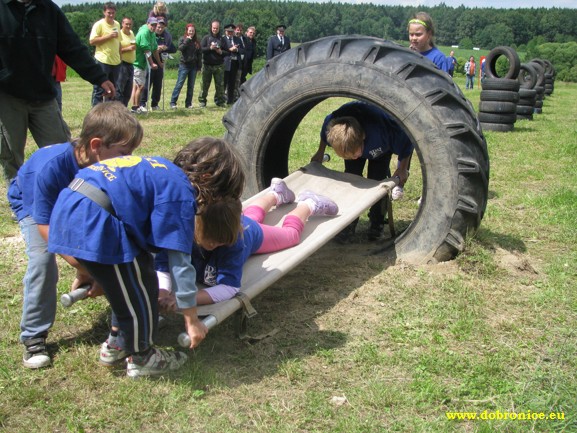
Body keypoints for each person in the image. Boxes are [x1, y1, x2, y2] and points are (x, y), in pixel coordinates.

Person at [47, 137, 245, 378]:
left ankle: (117, 343)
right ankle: (142, 357)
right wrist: (191, 319)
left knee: (132, 284)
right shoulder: (181, 193)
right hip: (96, 218)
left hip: (71, 206)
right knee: (140, 292)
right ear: (207, 179)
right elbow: (180, 264)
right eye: (219, 196)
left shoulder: (162, 169)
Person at [7, 102, 143, 369]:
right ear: (96, 146)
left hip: (77, 200)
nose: (128, 159)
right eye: (124, 152)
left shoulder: (105, 162)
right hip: (36, 207)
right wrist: (85, 268)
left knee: (119, 241)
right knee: (42, 260)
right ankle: (34, 335)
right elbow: (46, 228)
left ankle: (129, 316)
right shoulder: (49, 167)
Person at [156, 179, 338, 308]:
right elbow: (163, 264)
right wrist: (162, 292)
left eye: (220, 242)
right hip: (239, 224)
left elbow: (229, 288)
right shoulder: (183, 234)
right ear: (197, 230)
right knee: (250, 216)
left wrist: (186, 299)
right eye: (210, 240)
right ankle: (276, 193)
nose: (213, 245)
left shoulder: (236, 241)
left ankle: (308, 203)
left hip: (251, 233)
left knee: (290, 235)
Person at [0, 0, 115, 185]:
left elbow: (72, 47)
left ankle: (67, 196)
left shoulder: (49, 10)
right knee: (11, 153)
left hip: (43, 93)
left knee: (62, 149)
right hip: (7, 94)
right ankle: (20, 201)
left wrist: (99, 77)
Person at [311, 101, 413, 243]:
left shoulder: (385, 131)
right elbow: (325, 130)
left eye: (355, 154)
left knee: (378, 181)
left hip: (380, 149)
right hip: (356, 136)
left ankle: (377, 222)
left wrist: (402, 168)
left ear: (363, 136)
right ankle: (348, 223)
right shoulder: (333, 128)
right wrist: (320, 152)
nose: (354, 157)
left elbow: (407, 142)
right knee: (352, 179)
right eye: (347, 156)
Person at [89, 2, 122, 107]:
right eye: (109, 13)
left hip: (115, 61)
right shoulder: (99, 25)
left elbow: (119, 42)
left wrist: (120, 57)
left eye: (113, 13)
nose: (111, 15)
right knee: (99, 88)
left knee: (112, 90)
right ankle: (95, 114)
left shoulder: (117, 24)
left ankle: (109, 115)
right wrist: (108, 36)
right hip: (102, 60)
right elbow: (92, 41)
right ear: (104, 12)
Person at [139, 17, 176, 111]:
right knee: (147, 82)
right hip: (148, 61)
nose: (159, 29)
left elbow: (173, 49)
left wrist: (164, 48)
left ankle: (154, 104)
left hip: (160, 62)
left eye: (162, 27)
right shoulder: (149, 34)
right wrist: (156, 48)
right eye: (158, 26)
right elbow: (146, 48)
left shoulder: (167, 36)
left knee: (158, 84)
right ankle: (142, 103)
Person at [130, 17, 160, 114]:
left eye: (155, 25)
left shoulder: (152, 34)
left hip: (142, 64)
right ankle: (136, 107)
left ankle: (135, 107)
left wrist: (159, 62)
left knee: (137, 86)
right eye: (152, 25)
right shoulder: (144, 33)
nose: (154, 27)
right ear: (148, 24)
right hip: (137, 63)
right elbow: (146, 50)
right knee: (140, 86)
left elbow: (154, 49)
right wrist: (152, 63)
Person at [170, 23, 202, 109]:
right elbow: (180, 48)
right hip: (184, 65)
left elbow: (199, 55)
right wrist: (187, 41)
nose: (191, 32)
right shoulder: (182, 39)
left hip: (193, 66)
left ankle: (188, 103)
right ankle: (173, 102)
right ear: (187, 31)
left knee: (191, 86)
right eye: (190, 31)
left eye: (193, 31)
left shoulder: (197, 42)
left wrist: (199, 67)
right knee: (179, 84)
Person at [198, 21, 226, 108]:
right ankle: (202, 101)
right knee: (204, 85)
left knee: (220, 85)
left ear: (219, 28)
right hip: (207, 65)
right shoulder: (206, 38)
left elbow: (227, 52)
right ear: (211, 28)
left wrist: (220, 51)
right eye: (214, 28)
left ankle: (220, 101)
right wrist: (210, 48)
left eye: (217, 28)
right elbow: (201, 49)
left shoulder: (222, 39)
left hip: (219, 66)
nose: (215, 30)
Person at [116, 17, 137, 106]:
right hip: (122, 64)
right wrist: (128, 49)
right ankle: (118, 108)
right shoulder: (119, 34)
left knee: (128, 90)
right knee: (120, 88)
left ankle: (124, 108)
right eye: (126, 24)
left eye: (130, 24)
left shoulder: (131, 33)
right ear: (122, 24)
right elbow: (116, 50)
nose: (128, 26)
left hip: (131, 64)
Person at [222, 23, 243, 105]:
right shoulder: (223, 39)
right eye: (228, 32)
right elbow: (221, 49)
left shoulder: (237, 39)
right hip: (225, 62)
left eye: (231, 32)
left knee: (232, 82)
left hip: (235, 63)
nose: (230, 33)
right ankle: (220, 100)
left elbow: (242, 50)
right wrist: (230, 49)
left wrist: (236, 50)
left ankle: (230, 100)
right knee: (223, 83)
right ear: (225, 31)